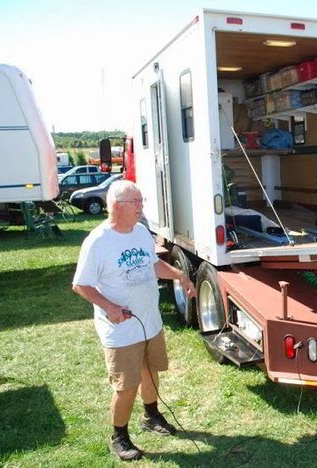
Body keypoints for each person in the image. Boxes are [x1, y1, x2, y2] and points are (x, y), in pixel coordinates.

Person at [72, 180, 196, 461]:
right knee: (126, 386)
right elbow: (81, 285)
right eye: (135, 202)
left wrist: (180, 275)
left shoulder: (140, 232)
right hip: (121, 329)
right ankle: (119, 436)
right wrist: (109, 306)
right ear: (116, 206)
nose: (141, 207)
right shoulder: (98, 241)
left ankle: (151, 416)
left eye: (141, 201)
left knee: (150, 372)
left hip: (149, 321)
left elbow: (152, 264)